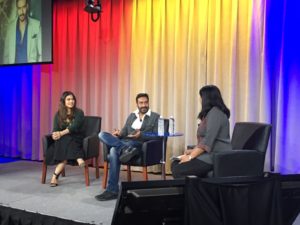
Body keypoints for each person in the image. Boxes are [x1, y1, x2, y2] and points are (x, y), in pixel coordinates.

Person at [95, 93, 160, 201]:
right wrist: (119, 133)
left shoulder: (155, 117)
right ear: (137, 104)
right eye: (141, 103)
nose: (143, 105)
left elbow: (158, 135)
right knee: (101, 134)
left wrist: (142, 135)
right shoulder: (131, 116)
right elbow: (124, 132)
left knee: (113, 150)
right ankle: (124, 149)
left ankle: (112, 190)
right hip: (125, 142)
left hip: (139, 145)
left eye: (145, 102)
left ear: (148, 102)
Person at [171, 85, 232, 178]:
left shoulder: (216, 113)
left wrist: (190, 156)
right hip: (208, 154)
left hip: (216, 156)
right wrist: (193, 151)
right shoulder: (210, 113)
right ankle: (190, 190)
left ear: (207, 99)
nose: (200, 100)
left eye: (201, 97)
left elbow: (208, 139)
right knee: (175, 163)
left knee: (179, 169)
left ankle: (193, 192)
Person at [45, 91, 86, 187]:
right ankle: (78, 156)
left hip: (77, 137)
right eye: (68, 99)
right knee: (64, 141)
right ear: (63, 101)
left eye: (72, 99)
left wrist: (60, 133)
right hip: (64, 141)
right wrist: (55, 135)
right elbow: (55, 129)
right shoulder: (58, 114)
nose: (71, 101)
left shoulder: (79, 112)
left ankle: (54, 177)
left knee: (67, 138)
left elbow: (74, 127)